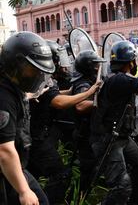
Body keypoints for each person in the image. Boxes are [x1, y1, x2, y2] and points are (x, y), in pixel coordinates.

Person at [27, 41, 101, 203]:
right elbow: (58, 101)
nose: (62, 64)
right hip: (37, 137)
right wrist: (89, 92)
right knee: (61, 174)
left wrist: (72, 91)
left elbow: (53, 93)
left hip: (34, 135)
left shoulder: (41, 76)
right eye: (58, 59)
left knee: (32, 174)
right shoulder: (42, 77)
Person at [90, 41, 138, 205]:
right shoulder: (119, 80)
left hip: (120, 137)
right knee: (121, 187)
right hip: (108, 139)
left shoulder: (118, 79)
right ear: (131, 62)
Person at [0, 31, 54, 205]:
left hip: (16, 167)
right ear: (15, 65)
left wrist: (28, 97)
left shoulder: (13, 87)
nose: (37, 74)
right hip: (5, 171)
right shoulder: (3, 97)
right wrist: (23, 191)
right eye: (33, 69)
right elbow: (4, 150)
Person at [71, 50, 106, 192]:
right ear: (89, 67)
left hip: (89, 132)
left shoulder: (89, 81)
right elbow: (80, 105)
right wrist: (102, 104)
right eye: (96, 65)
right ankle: (80, 197)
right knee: (88, 170)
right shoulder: (83, 84)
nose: (98, 67)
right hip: (84, 134)